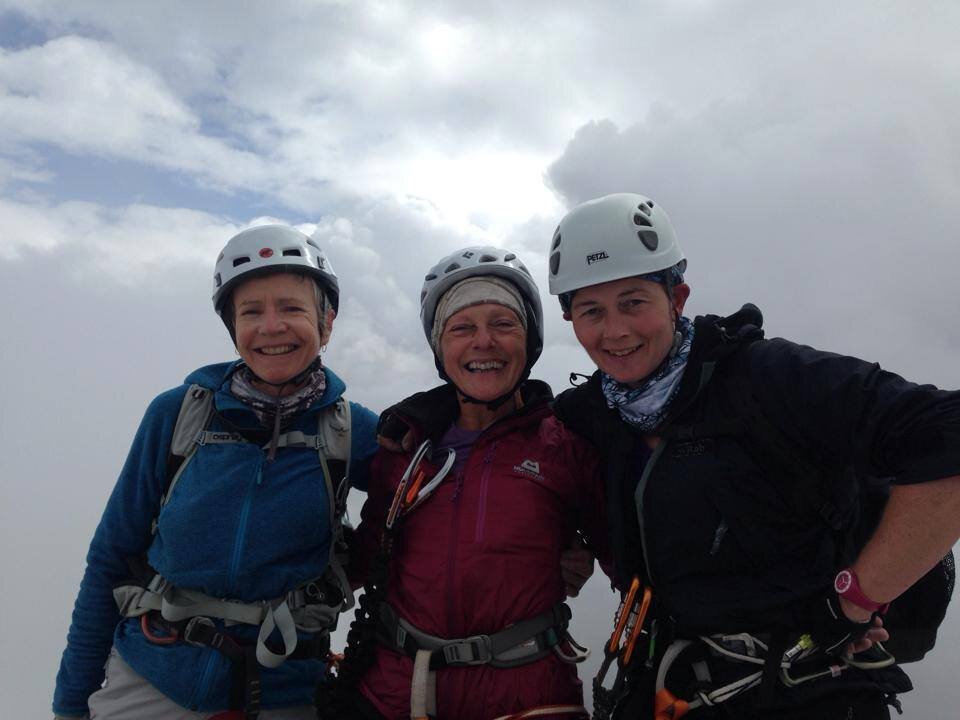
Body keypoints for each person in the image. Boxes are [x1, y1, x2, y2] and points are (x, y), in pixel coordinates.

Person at [546, 193, 960, 720]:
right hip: (662, 685)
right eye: (591, 311)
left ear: (677, 298)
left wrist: (855, 599)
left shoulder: (768, 379)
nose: (616, 331)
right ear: (571, 319)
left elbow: (947, 433)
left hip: (808, 691)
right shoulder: (590, 419)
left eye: (634, 302)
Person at [52, 225, 379, 720]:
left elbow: (436, 521)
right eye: (251, 312)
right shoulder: (178, 415)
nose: (271, 327)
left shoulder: (353, 431)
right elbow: (111, 558)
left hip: (284, 689)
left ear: (326, 322)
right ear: (232, 326)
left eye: (291, 308)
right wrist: (71, 704)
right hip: (153, 675)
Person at [322, 246, 610, 720]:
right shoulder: (405, 447)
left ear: (530, 339)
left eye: (503, 323)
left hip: (529, 698)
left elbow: (633, 556)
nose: (483, 342)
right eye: (461, 328)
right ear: (440, 347)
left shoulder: (568, 448)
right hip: (394, 695)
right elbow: (367, 559)